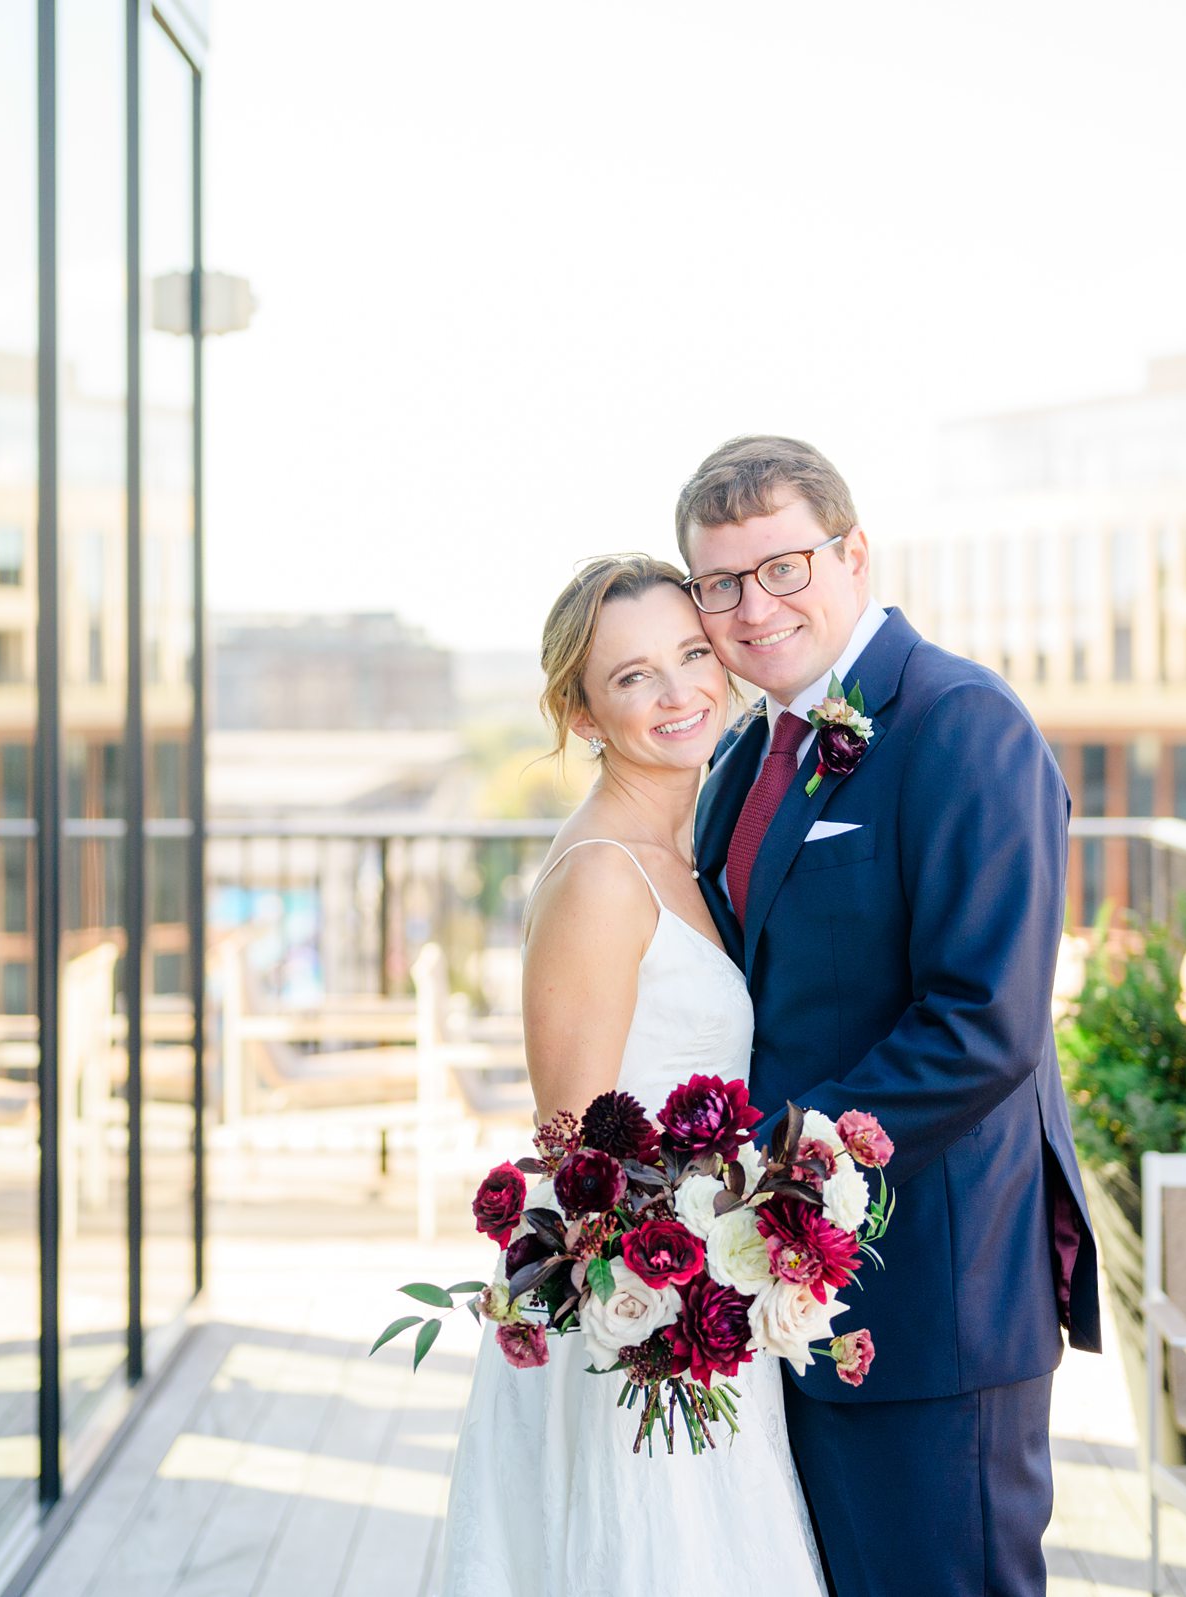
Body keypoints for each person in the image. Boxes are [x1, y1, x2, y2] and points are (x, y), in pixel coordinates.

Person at [680, 435, 1100, 1597]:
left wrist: (771, 1162)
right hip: (784, 1295)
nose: (753, 609)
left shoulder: (964, 723)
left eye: (783, 567)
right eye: (720, 583)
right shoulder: (739, 759)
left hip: (931, 1295)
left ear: (854, 553)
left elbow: (983, 1019)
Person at [436, 554, 828, 1597]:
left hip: (709, 1297)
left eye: (693, 654)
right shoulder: (602, 874)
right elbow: (572, 1150)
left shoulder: (692, 846)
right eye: (633, 677)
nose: (679, 692)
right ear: (581, 709)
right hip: (639, 1323)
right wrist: (668, 1292)